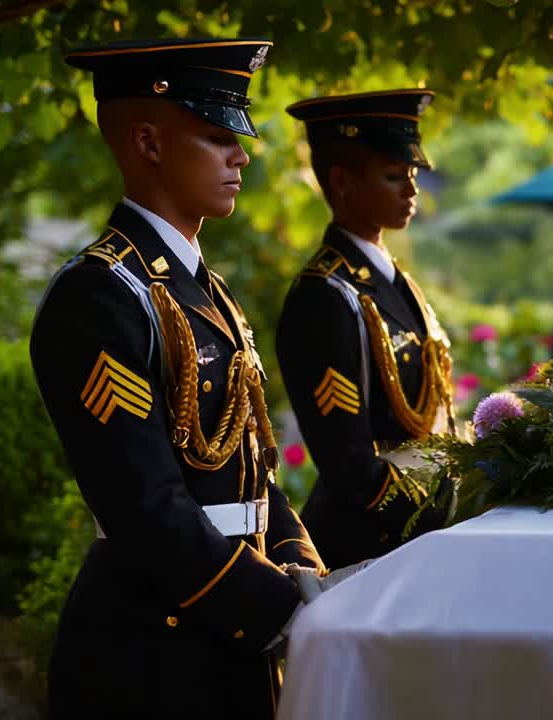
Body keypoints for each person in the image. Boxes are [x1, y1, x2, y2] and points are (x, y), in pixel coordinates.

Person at [32, 38, 333, 718]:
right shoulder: (103, 295)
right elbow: (145, 506)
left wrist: (301, 566)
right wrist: (276, 606)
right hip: (153, 650)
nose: (242, 155)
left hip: (225, 632)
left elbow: (249, 463)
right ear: (148, 141)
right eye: (215, 136)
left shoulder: (204, 291)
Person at [277, 90, 455, 571]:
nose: (412, 190)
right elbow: (349, 464)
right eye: (394, 176)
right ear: (343, 182)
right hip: (367, 543)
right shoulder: (326, 296)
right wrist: (444, 512)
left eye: (413, 176)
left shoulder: (394, 282)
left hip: (413, 534)